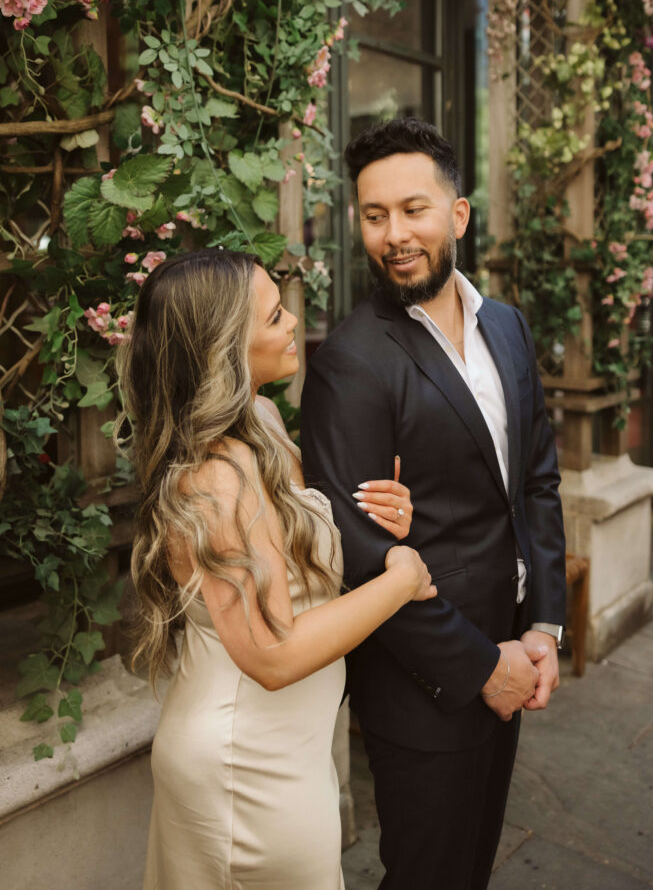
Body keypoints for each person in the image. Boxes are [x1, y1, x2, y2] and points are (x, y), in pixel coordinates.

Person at [117, 247, 437, 890]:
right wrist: (400, 581)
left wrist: (379, 522)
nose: (293, 321)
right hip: (246, 768)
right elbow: (273, 656)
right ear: (223, 349)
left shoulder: (258, 419)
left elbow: (293, 558)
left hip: (290, 747)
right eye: (271, 318)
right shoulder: (214, 481)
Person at [301, 117, 567, 890]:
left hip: (515, 654)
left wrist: (542, 625)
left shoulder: (508, 327)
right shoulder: (351, 359)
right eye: (374, 215)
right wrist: (483, 666)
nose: (393, 234)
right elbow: (355, 554)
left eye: (412, 209)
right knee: (425, 875)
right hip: (425, 685)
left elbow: (536, 481)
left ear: (457, 214)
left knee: (471, 867)